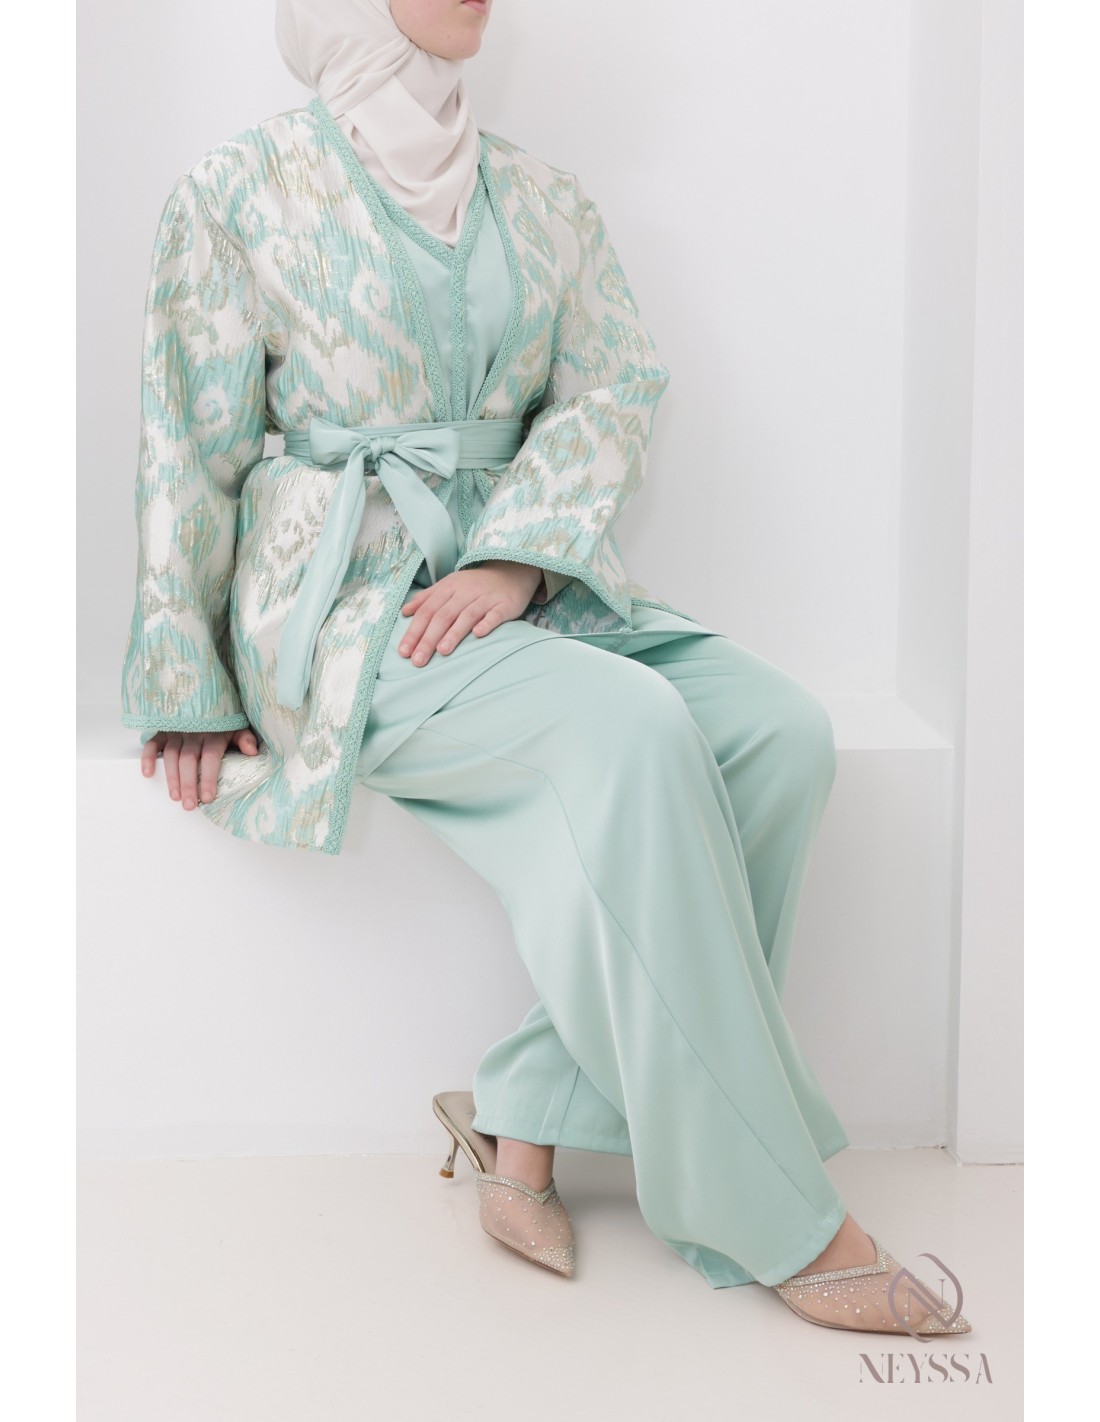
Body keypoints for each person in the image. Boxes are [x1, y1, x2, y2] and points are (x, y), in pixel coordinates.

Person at [121, 0, 971, 1335]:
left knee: (778, 731)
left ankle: (524, 1112)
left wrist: (517, 559)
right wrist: (189, 682)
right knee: (631, 731)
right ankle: (778, 1216)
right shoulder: (237, 193)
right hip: (345, 614)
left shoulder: (541, 199)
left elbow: (615, 385)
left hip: (521, 587)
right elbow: (189, 442)